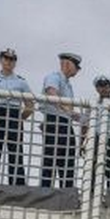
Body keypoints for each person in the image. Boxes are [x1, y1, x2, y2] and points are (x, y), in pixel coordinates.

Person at [0, 48, 32, 186]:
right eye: (6, 58)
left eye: (12, 59)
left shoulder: (21, 82)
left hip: (14, 114)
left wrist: (19, 118)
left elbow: (30, 105)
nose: (8, 61)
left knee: (15, 152)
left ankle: (17, 186)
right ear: (1, 60)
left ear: (15, 63)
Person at [40, 52, 81, 188]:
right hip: (54, 122)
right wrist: (68, 111)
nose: (77, 70)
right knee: (50, 159)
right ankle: (45, 191)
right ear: (67, 64)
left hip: (65, 123)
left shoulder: (68, 85)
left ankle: (67, 192)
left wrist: (74, 115)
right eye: (76, 66)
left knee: (68, 161)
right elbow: (52, 93)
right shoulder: (54, 77)